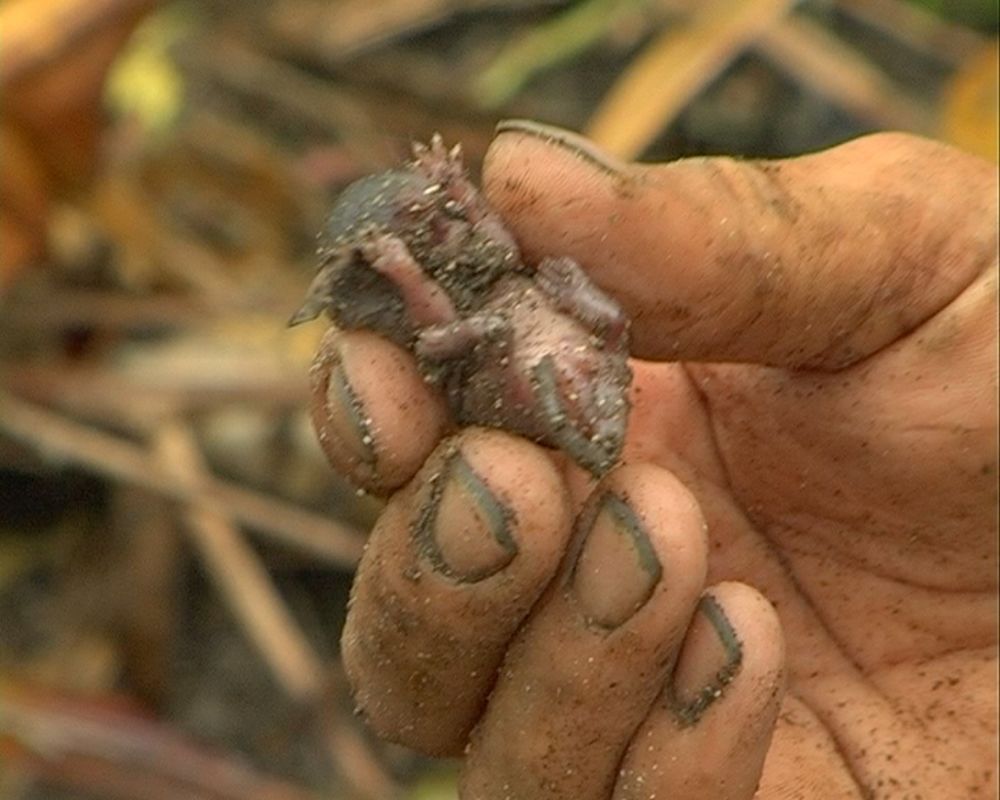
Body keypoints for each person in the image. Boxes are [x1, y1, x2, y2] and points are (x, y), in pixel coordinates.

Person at [310, 121, 998, 799]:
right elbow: (457, 341)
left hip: (513, 328)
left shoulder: (514, 298)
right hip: (501, 337)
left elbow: (526, 308)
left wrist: (456, 229)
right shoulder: (512, 338)